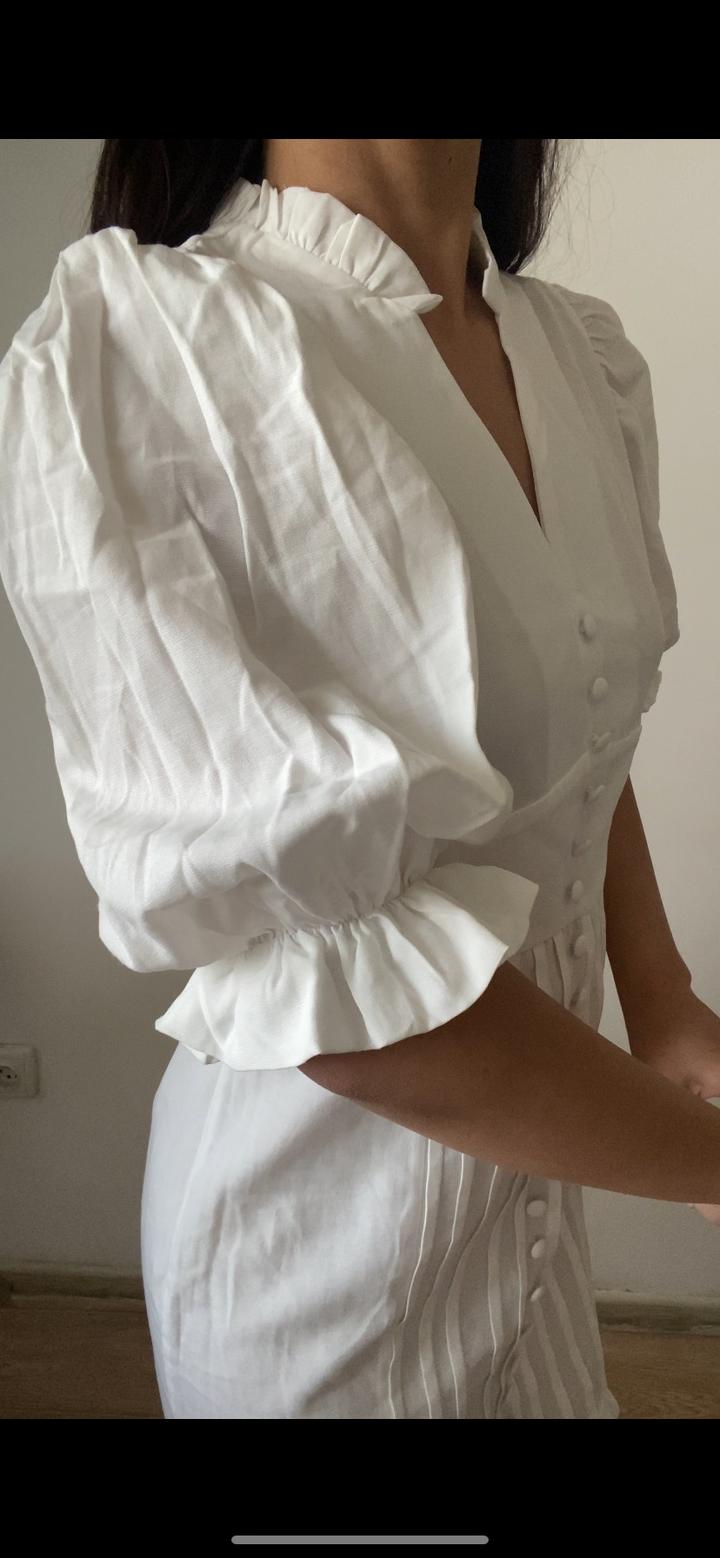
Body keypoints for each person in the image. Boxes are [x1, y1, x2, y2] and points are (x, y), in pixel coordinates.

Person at [1, 137, 719, 1422]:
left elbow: (580, 736)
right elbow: (362, 1024)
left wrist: (661, 998)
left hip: (535, 1232)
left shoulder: (575, 353)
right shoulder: (155, 350)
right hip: (317, 1283)